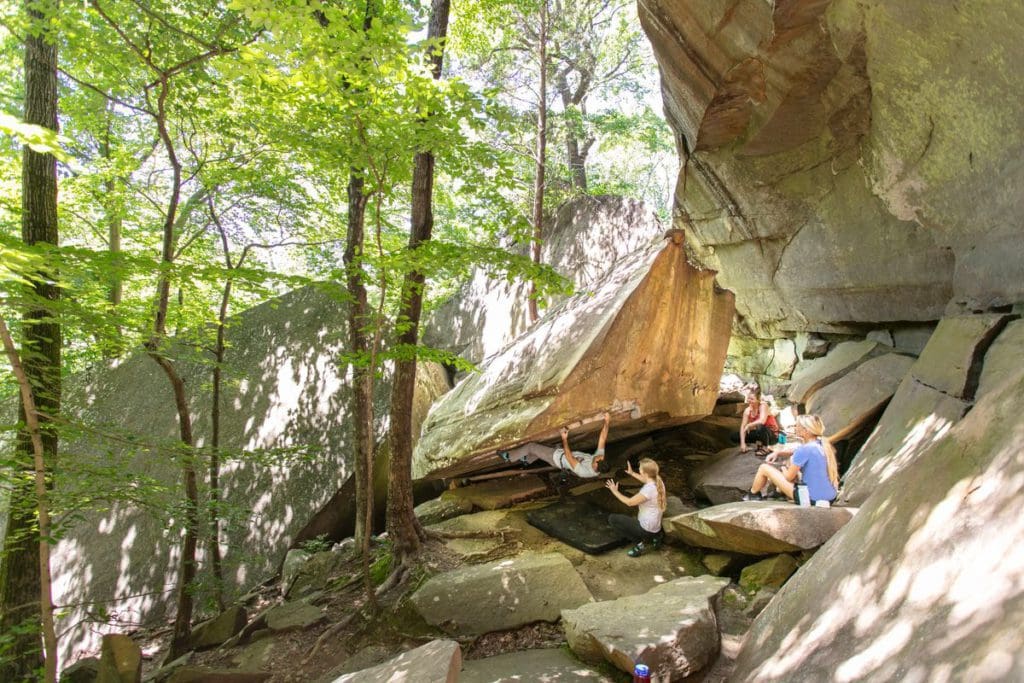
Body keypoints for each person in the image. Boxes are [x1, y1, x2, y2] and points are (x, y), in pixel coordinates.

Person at [741, 414, 839, 504]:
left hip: (811, 499)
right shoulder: (823, 445)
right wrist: (778, 452)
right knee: (793, 465)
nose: (795, 428)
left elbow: (788, 477)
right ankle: (778, 493)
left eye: (797, 426)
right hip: (830, 498)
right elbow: (799, 451)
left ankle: (753, 494)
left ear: (806, 431)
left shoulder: (804, 449)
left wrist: (783, 468)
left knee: (764, 468)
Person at [499, 412, 611, 478]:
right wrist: (607, 421)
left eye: (597, 459)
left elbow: (569, 457)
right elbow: (602, 439)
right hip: (560, 452)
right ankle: (527, 460)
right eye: (600, 457)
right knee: (544, 448)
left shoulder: (584, 472)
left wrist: (565, 438)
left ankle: (509, 457)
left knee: (531, 446)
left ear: (595, 466)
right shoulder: (600, 460)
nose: (599, 456)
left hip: (556, 458)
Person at [604, 457, 667, 557]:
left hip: (646, 529)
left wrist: (615, 491)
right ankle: (657, 537)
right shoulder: (659, 482)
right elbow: (646, 480)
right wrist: (632, 473)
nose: (639, 470)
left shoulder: (647, 490)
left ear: (645, 473)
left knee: (612, 518)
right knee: (636, 518)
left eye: (640, 469)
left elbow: (629, 502)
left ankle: (639, 544)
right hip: (656, 527)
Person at [736, 386, 779, 454]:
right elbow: (743, 427)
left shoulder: (763, 406)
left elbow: (762, 421)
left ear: (758, 400)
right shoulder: (747, 410)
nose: (749, 401)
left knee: (760, 425)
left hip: (772, 435)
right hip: (760, 433)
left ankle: (765, 448)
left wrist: (749, 425)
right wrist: (743, 443)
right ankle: (753, 444)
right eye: (748, 398)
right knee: (735, 436)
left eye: (752, 399)